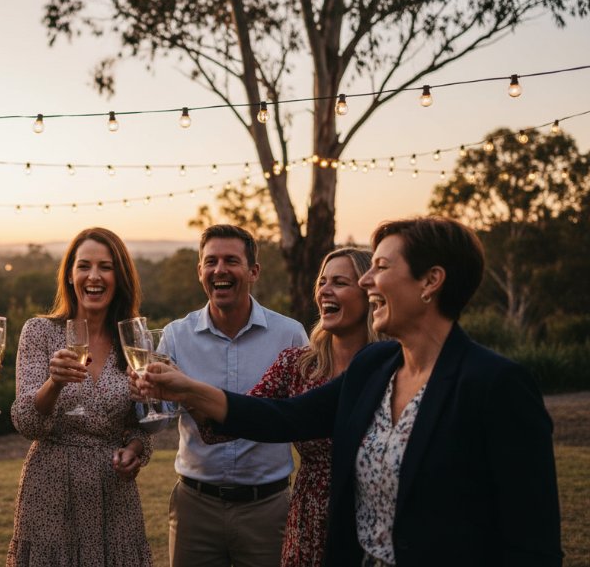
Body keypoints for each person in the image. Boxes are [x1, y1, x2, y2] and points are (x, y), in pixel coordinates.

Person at [141, 217, 562, 566]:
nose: (367, 280)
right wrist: (186, 388)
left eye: (380, 267)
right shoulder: (374, 370)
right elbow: (282, 417)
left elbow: (533, 542)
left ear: (431, 281)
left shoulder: (496, 385)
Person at [199, 248, 378, 567]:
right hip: (310, 515)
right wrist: (186, 392)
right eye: (322, 281)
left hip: (370, 515)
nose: (325, 290)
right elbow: (245, 417)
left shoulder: (391, 366)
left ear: (369, 294)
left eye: (339, 282)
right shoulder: (297, 364)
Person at [156, 224, 308, 567]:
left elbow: (303, 415)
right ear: (199, 271)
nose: (219, 270)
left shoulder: (290, 335)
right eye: (210, 261)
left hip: (267, 508)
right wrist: (143, 396)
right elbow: (157, 418)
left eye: (230, 261)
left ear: (253, 271)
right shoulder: (176, 336)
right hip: (195, 507)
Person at [7, 227, 153, 567]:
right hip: (50, 492)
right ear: (70, 276)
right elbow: (27, 423)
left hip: (114, 495)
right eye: (84, 265)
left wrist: (134, 450)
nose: (94, 276)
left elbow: (142, 424)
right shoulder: (40, 332)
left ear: (120, 277)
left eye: (106, 266)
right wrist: (54, 383)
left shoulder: (134, 340)